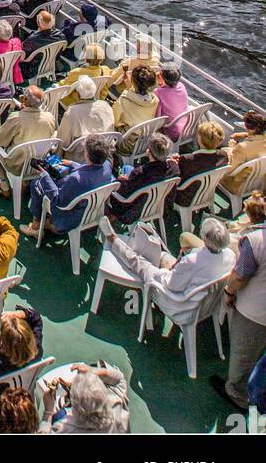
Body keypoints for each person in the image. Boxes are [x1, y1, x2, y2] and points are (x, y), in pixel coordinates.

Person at [102, 217, 234, 328]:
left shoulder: (192, 261)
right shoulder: (230, 256)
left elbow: (171, 285)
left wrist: (165, 271)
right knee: (163, 255)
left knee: (139, 262)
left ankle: (113, 240)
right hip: (206, 303)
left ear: (204, 238)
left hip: (179, 303)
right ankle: (140, 248)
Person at [213, 208, 266, 409]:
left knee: (243, 354)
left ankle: (236, 394)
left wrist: (228, 293)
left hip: (255, 314)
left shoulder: (256, 241)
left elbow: (239, 276)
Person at [21, 133, 114, 239]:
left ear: (87, 154)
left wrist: (45, 176)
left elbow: (58, 201)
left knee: (36, 184)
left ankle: (36, 227)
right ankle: (49, 222)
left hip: (71, 215)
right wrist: (72, 164)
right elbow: (92, 169)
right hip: (94, 210)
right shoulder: (107, 166)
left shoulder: (76, 179)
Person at [0, 86, 57, 195]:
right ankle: (25, 183)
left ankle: (4, 184)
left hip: (17, 165)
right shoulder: (50, 117)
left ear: (25, 100)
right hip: (39, 162)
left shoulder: (16, 118)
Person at [106, 132, 179, 224]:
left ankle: (110, 214)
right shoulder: (174, 168)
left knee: (112, 178)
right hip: (161, 206)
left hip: (132, 211)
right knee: (127, 168)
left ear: (148, 151)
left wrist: (120, 180)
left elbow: (125, 193)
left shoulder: (140, 173)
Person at [41, 363, 130, 434]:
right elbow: (119, 380)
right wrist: (91, 371)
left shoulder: (63, 428)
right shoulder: (118, 407)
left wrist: (48, 412)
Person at [56, 75, 115, 156]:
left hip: (83, 156)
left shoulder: (72, 112)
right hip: (106, 153)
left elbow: (63, 142)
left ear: (78, 95)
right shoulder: (105, 105)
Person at [173, 120, 229, 207]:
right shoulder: (223, 156)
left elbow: (177, 178)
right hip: (207, 194)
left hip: (185, 199)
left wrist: (173, 163)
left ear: (200, 139)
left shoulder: (187, 159)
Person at [112, 63, 159, 150]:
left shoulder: (124, 100)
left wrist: (127, 90)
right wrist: (130, 88)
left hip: (127, 145)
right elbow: (139, 98)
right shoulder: (155, 99)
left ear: (133, 80)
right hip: (144, 142)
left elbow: (114, 121)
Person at [220, 111, 266, 194]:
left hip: (238, 186)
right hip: (258, 185)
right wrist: (245, 135)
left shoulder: (242, 147)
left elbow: (229, 169)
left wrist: (231, 147)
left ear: (246, 126)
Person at [20, 9, 66, 81]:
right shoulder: (60, 36)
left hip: (32, 70)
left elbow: (23, 55)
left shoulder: (32, 40)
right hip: (51, 63)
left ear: (38, 23)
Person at [155, 64, 190, 142]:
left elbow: (158, 117)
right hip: (187, 128)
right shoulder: (182, 86)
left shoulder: (159, 92)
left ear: (162, 77)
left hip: (172, 133)